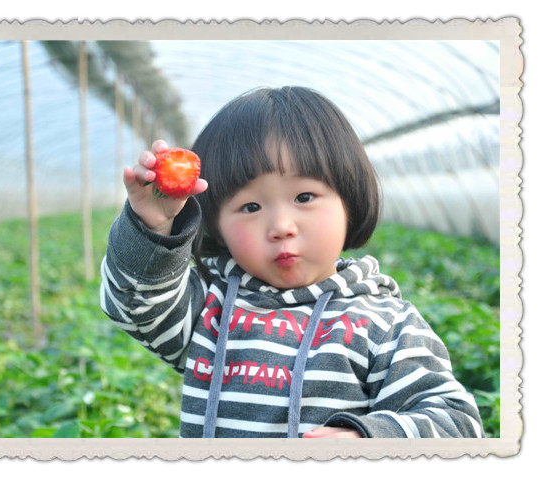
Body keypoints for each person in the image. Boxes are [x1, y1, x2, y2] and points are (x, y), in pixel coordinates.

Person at [100, 86, 484, 438]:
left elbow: (456, 421)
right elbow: (135, 304)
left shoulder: (385, 325)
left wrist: (369, 438)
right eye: (250, 207)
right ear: (217, 225)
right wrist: (150, 225)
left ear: (348, 200)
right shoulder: (209, 310)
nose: (281, 226)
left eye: (304, 197)